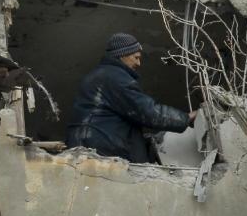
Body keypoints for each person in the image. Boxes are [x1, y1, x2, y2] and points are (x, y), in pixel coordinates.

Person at [66, 33, 195, 163]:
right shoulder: (116, 78)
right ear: (123, 55)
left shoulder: (99, 75)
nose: (139, 63)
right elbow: (147, 112)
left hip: (87, 147)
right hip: (102, 153)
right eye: (136, 57)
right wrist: (186, 118)